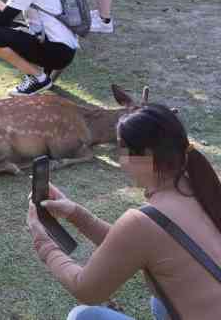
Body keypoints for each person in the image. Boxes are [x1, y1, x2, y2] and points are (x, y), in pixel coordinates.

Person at [27, 105, 221, 320]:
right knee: (159, 301)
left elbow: (85, 290)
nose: (120, 163)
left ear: (147, 155)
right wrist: (76, 214)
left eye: (122, 152)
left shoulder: (144, 223)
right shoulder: (203, 189)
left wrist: (43, 244)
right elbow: (132, 245)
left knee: (83, 316)